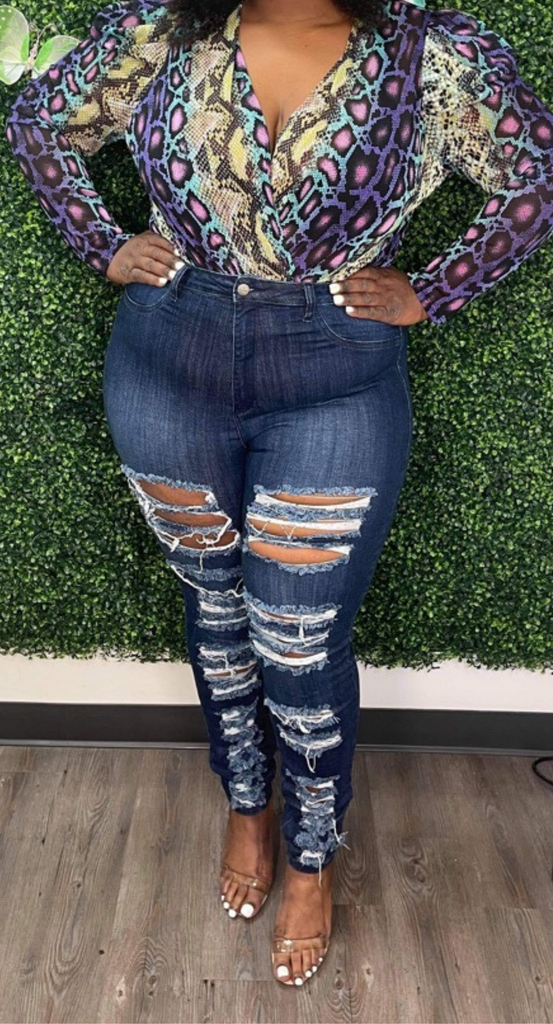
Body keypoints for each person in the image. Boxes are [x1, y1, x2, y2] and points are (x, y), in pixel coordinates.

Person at [6, 0, 553, 989]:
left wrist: (434, 288)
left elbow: (537, 175)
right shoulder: (162, 28)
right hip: (166, 363)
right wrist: (101, 241)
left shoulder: (431, 50)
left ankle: (310, 853)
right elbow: (38, 118)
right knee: (214, 608)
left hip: (333, 374)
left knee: (297, 638)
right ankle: (246, 804)